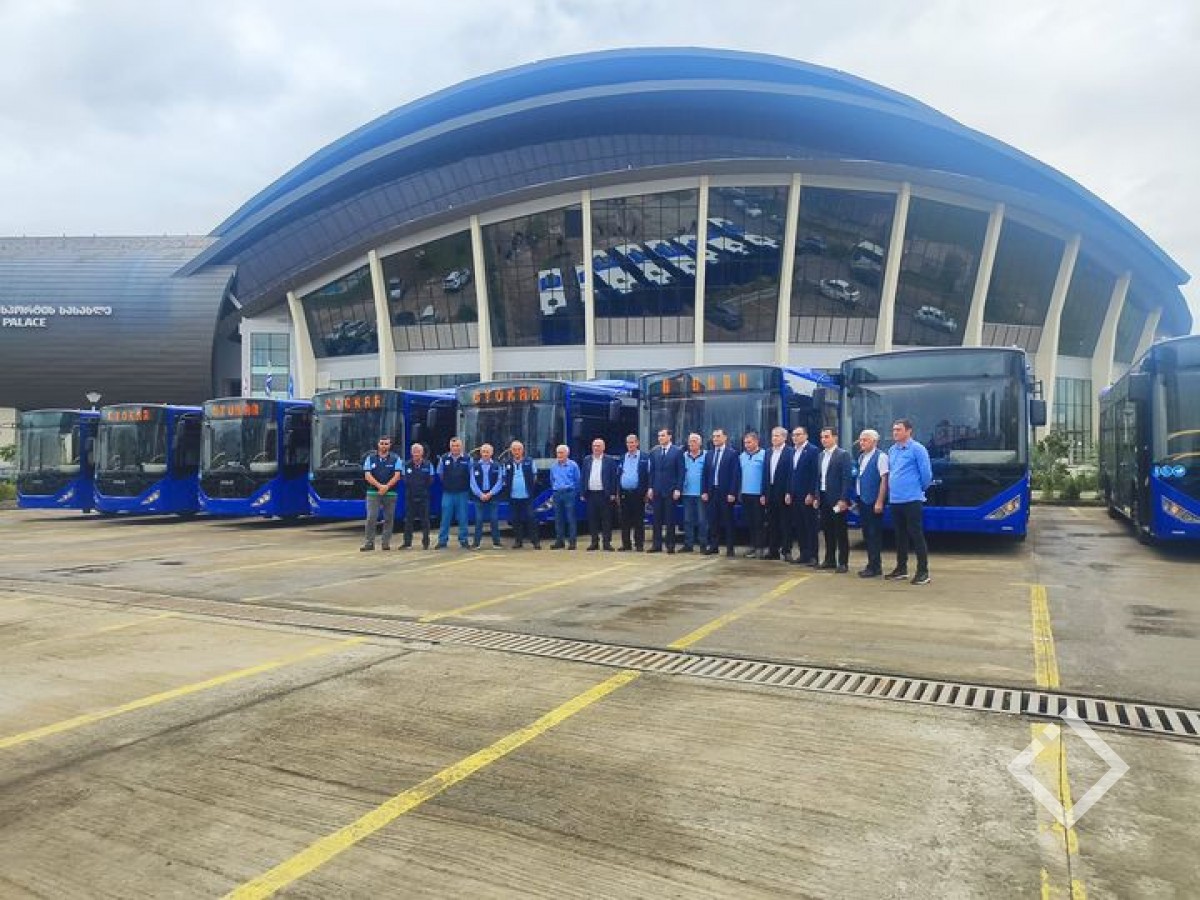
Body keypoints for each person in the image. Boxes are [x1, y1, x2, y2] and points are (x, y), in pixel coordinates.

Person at [886, 418, 934, 585]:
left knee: (916, 534)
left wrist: (917, 489)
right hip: (895, 499)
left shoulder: (917, 449)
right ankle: (901, 569)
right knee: (899, 536)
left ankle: (923, 572)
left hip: (912, 499)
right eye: (894, 429)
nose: (895, 432)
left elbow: (926, 475)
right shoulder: (892, 450)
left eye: (898, 429)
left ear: (908, 431)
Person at [814, 426, 853, 573]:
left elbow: (846, 479)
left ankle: (843, 562)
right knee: (827, 530)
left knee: (840, 532)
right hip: (823, 498)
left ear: (835, 438)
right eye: (822, 437)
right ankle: (829, 559)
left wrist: (843, 499)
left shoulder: (843, 455)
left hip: (837, 500)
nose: (823, 440)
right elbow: (818, 478)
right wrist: (817, 496)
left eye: (827, 437)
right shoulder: (821, 455)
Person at [855, 429, 890, 577]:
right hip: (862, 500)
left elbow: (884, 480)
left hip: (873, 501)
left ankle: (875, 566)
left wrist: (879, 501)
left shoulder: (881, 457)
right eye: (861, 440)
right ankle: (871, 564)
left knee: (874, 534)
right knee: (867, 534)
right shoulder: (861, 457)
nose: (862, 443)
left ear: (874, 442)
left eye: (865, 440)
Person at [702, 427, 739, 557]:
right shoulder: (709, 454)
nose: (715, 439)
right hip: (712, 492)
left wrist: (733, 493)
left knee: (728, 521)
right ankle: (714, 546)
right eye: (714, 436)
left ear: (725, 438)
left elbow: (735, 475)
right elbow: (705, 474)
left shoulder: (732, 454)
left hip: (726, 493)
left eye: (718, 436)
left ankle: (730, 548)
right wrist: (704, 491)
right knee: (713, 520)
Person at [646, 427, 684, 553]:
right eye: (659, 436)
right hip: (657, 490)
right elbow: (652, 471)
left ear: (669, 437)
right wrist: (650, 487)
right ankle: (656, 545)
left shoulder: (677, 452)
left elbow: (681, 472)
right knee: (656, 519)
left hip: (670, 491)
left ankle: (670, 545)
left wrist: (678, 489)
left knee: (670, 520)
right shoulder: (654, 451)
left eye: (662, 435)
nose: (660, 438)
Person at [787, 426, 820, 566]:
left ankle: (813, 556)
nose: (795, 437)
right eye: (793, 435)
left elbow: (815, 474)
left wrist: (812, 494)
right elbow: (790, 474)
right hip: (795, 495)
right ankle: (804, 554)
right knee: (799, 526)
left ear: (806, 436)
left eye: (798, 434)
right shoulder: (792, 451)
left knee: (810, 526)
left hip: (807, 495)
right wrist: (788, 492)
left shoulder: (813, 451)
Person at [361, 436, 401, 551]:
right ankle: (369, 543)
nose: (384, 446)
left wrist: (387, 487)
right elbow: (367, 475)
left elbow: (397, 476)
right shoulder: (370, 458)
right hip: (373, 492)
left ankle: (385, 543)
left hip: (390, 493)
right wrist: (380, 486)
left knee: (389, 518)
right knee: (371, 518)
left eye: (386, 444)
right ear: (378, 444)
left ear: (390, 445)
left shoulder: (396, 459)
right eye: (382, 443)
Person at [580, 438, 619, 550]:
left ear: (603, 447)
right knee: (592, 519)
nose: (596, 448)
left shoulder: (609, 460)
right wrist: (582, 492)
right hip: (591, 494)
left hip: (604, 494)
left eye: (598, 446)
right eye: (594, 446)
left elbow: (613, 477)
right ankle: (594, 542)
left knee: (606, 520)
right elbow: (583, 477)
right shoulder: (587, 460)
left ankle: (606, 543)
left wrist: (613, 493)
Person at [435, 437, 472, 549]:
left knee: (463, 518)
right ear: (450, 447)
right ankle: (442, 541)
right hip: (448, 493)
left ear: (461, 447)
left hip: (462, 493)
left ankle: (464, 540)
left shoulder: (468, 459)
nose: (455, 448)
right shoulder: (443, 458)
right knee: (445, 518)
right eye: (453, 446)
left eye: (457, 446)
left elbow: (471, 475)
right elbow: (440, 474)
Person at [763, 426, 793, 560]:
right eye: (772, 436)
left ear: (784, 438)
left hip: (783, 492)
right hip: (770, 491)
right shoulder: (768, 452)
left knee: (785, 523)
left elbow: (791, 475)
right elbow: (765, 474)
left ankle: (786, 550)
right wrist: (763, 493)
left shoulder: (790, 452)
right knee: (772, 523)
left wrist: (789, 492)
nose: (774, 438)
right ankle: (773, 550)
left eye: (777, 436)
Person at [617, 433, 651, 551]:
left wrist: (647, 491)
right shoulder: (623, 457)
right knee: (624, 521)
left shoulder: (645, 457)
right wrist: (618, 492)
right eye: (628, 443)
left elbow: (649, 475)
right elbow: (619, 474)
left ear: (637, 443)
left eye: (632, 442)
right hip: (624, 493)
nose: (630, 445)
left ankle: (639, 544)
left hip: (639, 493)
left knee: (638, 521)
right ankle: (626, 544)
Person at [503, 440, 540, 549]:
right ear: (511, 451)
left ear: (522, 450)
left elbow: (534, 476)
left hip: (527, 497)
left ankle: (535, 541)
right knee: (515, 520)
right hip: (513, 497)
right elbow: (504, 478)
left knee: (531, 518)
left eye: (519, 449)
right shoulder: (507, 463)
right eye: (514, 450)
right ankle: (518, 541)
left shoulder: (530, 461)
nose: (516, 452)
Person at [470, 443, 505, 548]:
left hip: (493, 496)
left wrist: (490, 493)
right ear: (480, 453)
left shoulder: (497, 466)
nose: (485, 454)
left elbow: (500, 482)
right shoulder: (474, 466)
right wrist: (480, 494)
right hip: (479, 496)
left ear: (491, 453)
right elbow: (472, 482)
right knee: (479, 520)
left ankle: (496, 542)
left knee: (494, 519)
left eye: (487, 452)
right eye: (484, 452)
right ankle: (476, 543)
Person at [401, 442, 435, 549]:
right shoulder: (405, 465)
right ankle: (407, 543)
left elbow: (431, 480)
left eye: (418, 451)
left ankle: (426, 543)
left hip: (424, 496)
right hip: (410, 496)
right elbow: (404, 480)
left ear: (422, 453)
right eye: (414, 451)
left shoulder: (428, 465)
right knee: (408, 521)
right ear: (411, 453)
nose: (416, 453)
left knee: (425, 521)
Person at [738, 431, 767, 557]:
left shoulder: (764, 455)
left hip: (758, 495)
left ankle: (760, 547)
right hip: (745, 494)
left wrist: (764, 493)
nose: (747, 445)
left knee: (759, 522)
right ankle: (753, 546)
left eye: (749, 442)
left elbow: (766, 476)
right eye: (745, 443)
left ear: (756, 442)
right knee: (749, 522)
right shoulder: (742, 456)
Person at [549, 443, 581, 549]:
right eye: (558, 453)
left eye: (561, 453)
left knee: (571, 518)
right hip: (557, 493)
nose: (559, 455)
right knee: (558, 518)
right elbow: (552, 480)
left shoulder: (573, 465)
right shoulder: (553, 466)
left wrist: (574, 492)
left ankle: (572, 542)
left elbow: (577, 480)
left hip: (569, 493)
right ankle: (560, 541)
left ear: (567, 453)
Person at [680, 433, 707, 552]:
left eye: (694, 441)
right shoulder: (683, 456)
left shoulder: (706, 456)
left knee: (702, 521)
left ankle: (703, 545)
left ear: (700, 443)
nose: (691, 443)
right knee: (687, 520)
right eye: (690, 441)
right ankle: (688, 545)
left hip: (701, 494)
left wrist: (706, 491)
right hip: (687, 493)